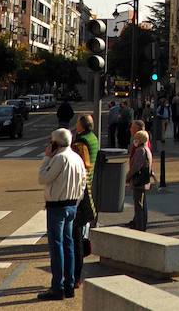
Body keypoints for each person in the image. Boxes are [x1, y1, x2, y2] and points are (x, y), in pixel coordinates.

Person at [37, 128, 87, 301]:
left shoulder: (59, 158)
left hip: (57, 206)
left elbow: (43, 178)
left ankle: (57, 286)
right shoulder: (77, 158)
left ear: (55, 143)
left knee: (57, 246)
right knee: (69, 245)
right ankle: (69, 284)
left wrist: (47, 157)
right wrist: (76, 201)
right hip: (72, 204)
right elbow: (82, 184)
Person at [70, 114, 100, 288]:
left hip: (80, 191)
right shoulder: (94, 138)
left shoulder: (81, 142)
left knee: (76, 237)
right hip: (88, 185)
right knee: (81, 233)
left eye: (77, 124)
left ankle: (75, 276)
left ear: (82, 126)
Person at [125, 129, 153, 230]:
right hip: (144, 181)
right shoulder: (147, 149)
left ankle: (140, 226)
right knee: (142, 204)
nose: (134, 140)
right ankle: (142, 225)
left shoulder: (140, 151)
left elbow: (135, 167)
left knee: (139, 206)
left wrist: (127, 177)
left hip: (139, 181)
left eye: (136, 138)